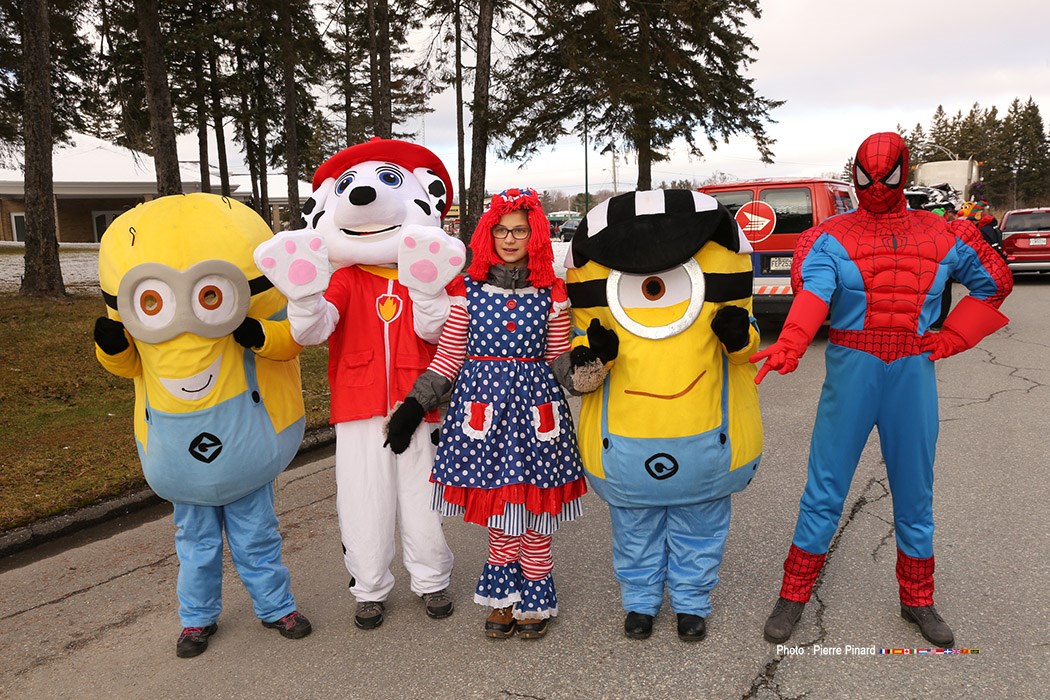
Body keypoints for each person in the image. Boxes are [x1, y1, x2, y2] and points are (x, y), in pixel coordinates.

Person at [752, 133, 1013, 648]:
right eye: (866, 177)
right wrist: (793, 339)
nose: (875, 186)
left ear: (903, 171)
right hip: (854, 365)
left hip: (911, 369)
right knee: (825, 487)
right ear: (854, 174)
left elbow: (994, 281)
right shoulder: (831, 236)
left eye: (886, 176)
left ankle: (918, 597)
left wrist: (956, 336)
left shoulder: (942, 234)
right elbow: (815, 290)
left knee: (915, 490)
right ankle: (794, 593)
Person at [254, 138, 465, 630]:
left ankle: (431, 580)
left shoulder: (431, 273)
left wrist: (428, 287)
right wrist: (304, 295)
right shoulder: (347, 277)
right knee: (362, 498)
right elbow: (313, 330)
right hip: (359, 405)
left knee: (424, 496)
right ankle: (369, 586)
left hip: (421, 406)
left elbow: (445, 330)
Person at [94, 194, 312, 658]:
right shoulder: (143, 327)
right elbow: (131, 368)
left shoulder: (247, 313)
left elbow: (291, 340)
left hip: (244, 446)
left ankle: (276, 607)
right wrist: (112, 348)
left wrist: (257, 334)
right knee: (195, 543)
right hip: (177, 455)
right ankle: (196, 619)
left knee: (257, 534)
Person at [385, 188, 588, 640]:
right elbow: (448, 358)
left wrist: (584, 373)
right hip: (483, 414)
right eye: (501, 230)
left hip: (538, 412)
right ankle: (504, 598)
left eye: (519, 230)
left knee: (534, 509)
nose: (510, 239)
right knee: (501, 511)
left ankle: (535, 596)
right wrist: (414, 406)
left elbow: (559, 358)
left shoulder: (552, 292)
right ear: (488, 234)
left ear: (534, 235)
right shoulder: (466, 290)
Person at [565, 189, 764, 642]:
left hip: (704, 438)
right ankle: (640, 602)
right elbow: (579, 371)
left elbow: (745, 349)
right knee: (635, 527)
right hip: (626, 444)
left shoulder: (721, 299)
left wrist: (738, 339)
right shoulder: (596, 314)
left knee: (701, 526)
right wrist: (595, 359)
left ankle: (691, 602)